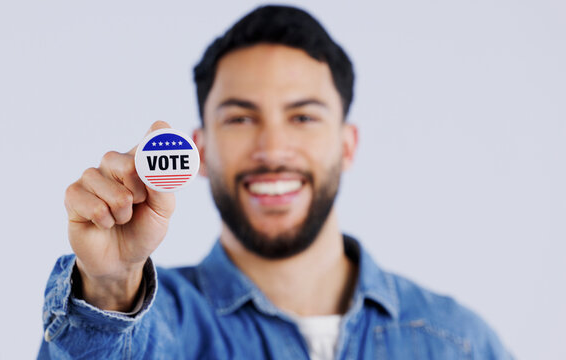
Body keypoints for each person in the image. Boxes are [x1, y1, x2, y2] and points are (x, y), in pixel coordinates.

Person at [38, 5, 511, 359]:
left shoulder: (460, 344)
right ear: (199, 151)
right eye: (241, 119)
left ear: (347, 145)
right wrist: (110, 285)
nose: (272, 149)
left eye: (303, 116)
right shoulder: (151, 333)